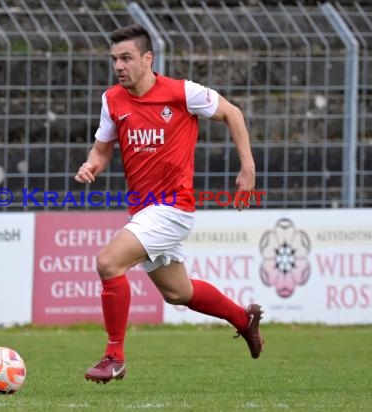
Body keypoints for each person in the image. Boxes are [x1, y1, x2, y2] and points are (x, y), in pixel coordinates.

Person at [75, 24, 264, 384]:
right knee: (179, 292)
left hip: (173, 207)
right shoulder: (112, 100)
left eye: (126, 58)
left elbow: (233, 113)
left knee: (108, 262)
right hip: (144, 210)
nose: (119, 66)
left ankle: (114, 356)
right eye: (115, 59)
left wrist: (247, 167)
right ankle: (243, 318)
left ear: (148, 59)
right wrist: (91, 166)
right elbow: (101, 150)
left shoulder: (182, 92)